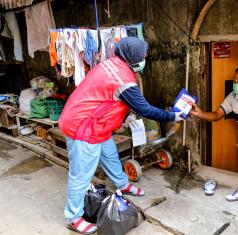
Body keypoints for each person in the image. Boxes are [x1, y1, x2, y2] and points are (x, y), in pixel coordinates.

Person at [58, 37, 184, 235]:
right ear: (133, 56)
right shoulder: (122, 78)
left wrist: (123, 116)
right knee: (81, 175)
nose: (144, 58)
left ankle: (122, 184)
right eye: (143, 55)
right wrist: (172, 115)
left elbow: (108, 97)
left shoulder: (112, 64)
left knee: (110, 156)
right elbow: (145, 109)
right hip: (83, 127)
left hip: (97, 124)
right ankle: (74, 218)